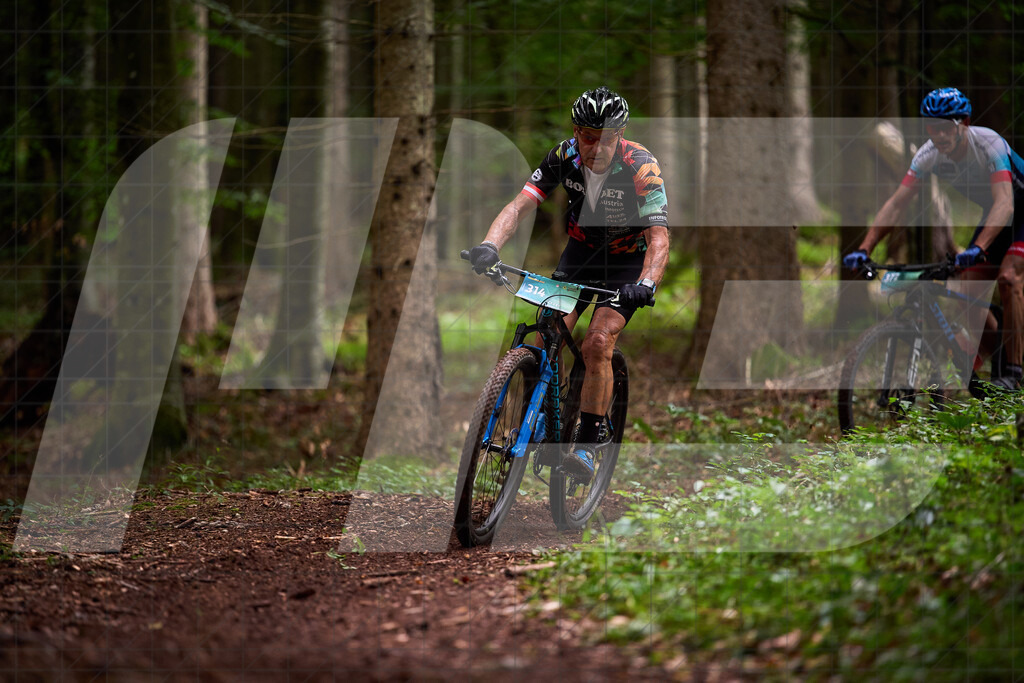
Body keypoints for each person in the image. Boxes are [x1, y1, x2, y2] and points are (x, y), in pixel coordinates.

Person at [468, 86, 670, 482]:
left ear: (620, 134)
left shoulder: (641, 166)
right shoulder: (564, 156)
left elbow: (659, 239)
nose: (596, 147)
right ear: (576, 131)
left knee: (597, 342)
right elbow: (520, 205)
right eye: (588, 136)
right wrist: (490, 245)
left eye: (607, 138)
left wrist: (645, 282)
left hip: (628, 264)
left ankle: (589, 443)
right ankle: (538, 415)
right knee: (544, 335)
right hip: (580, 256)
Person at [843, 87, 1024, 390]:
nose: (938, 135)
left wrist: (978, 247)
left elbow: (1005, 202)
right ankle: (1001, 362)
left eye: (945, 127)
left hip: (1017, 209)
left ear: (963, 123)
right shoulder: (928, 155)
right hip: (997, 215)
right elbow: (897, 203)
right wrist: (864, 248)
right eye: (932, 127)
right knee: (967, 288)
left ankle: (1014, 373)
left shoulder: (989, 144)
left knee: (1008, 278)